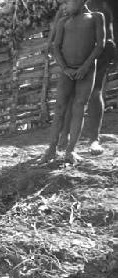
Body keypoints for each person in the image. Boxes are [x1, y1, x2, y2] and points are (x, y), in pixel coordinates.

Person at [40, 0, 105, 164]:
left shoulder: (96, 17)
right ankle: (51, 149)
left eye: (69, 2)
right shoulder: (63, 22)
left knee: (79, 106)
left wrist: (85, 67)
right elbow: (56, 46)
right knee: (60, 107)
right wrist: (65, 68)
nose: (66, 6)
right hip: (66, 72)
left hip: (87, 71)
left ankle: (70, 150)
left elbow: (100, 45)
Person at [52, 0, 116, 155]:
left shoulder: (103, 7)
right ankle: (65, 138)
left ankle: (94, 139)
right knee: (69, 97)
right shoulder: (67, 8)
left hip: (97, 54)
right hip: (71, 59)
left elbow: (108, 36)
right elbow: (55, 37)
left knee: (94, 93)